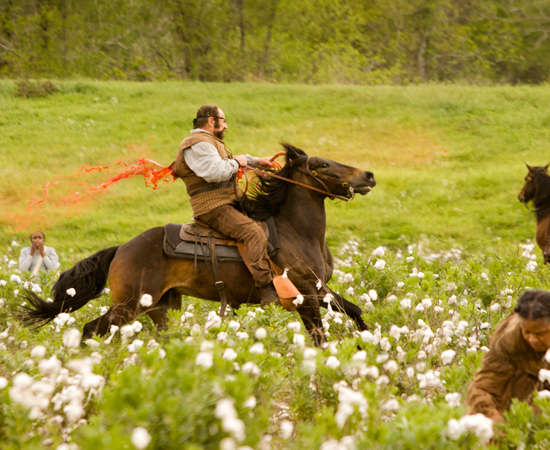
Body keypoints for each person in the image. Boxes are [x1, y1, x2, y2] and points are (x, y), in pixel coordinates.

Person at [172, 104, 279, 306]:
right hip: (214, 208)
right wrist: (239, 162)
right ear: (212, 121)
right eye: (224, 120)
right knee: (253, 232)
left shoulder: (208, 142)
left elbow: (229, 161)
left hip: (229, 201)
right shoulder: (198, 143)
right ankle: (266, 290)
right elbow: (215, 172)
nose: (226, 126)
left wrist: (257, 161)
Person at [466, 289, 550, 422]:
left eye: (539, 334)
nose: (532, 339)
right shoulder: (510, 340)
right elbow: (483, 387)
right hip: (524, 381)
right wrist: (493, 418)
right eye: (527, 332)